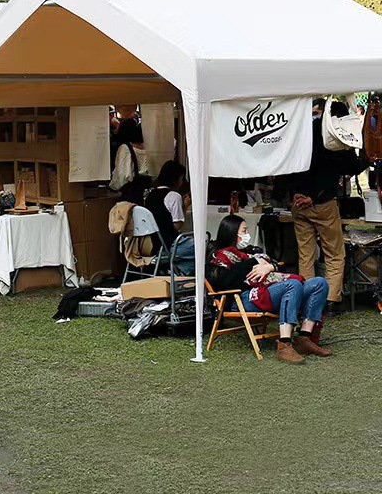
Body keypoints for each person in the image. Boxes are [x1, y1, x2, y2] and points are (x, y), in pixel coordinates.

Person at [208, 214, 331, 364]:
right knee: (293, 285)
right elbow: (225, 282)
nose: (247, 235)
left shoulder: (252, 251)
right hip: (244, 298)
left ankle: (304, 338)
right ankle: (284, 343)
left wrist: (268, 267)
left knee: (319, 283)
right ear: (232, 233)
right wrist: (252, 263)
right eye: (244, 231)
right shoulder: (221, 257)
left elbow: (280, 264)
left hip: (269, 291)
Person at [289, 99, 368, 315]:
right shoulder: (333, 134)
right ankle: (331, 300)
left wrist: (295, 193)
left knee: (305, 254)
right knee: (334, 252)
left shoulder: (298, 131)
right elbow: (351, 166)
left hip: (297, 201)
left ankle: (305, 297)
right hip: (323, 202)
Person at [144, 160, 195, 275]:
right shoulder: (174, 196)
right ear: (176, 179)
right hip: (170, 245)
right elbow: (177, 225)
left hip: (152, 244)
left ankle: (173, 271)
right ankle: (179, 272)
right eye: (182, 178)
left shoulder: (150, 195)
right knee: (205, 247)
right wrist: (185, 206)